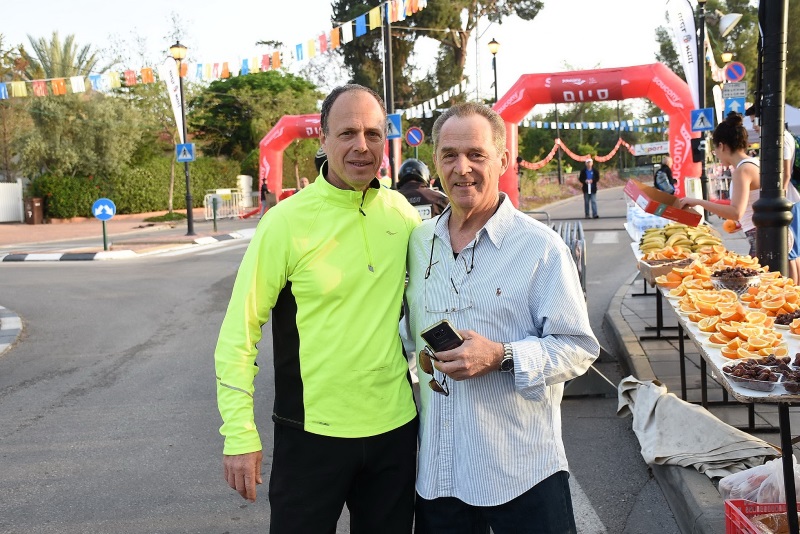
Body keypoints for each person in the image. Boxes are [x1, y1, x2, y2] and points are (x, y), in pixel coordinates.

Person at [214, 84, 421, 532]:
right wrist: (239, 432)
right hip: (310, 435)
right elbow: (239, 331)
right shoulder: (285, 222)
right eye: (347, 133)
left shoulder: (402, 214)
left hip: (394, 432)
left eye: (373, 133)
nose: (361, 146)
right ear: (323, 139)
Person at [402, 102, 600, 533]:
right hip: (441, 473)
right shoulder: (419, 244)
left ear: (503, 159)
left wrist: (501, 355)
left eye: (476, 154)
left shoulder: (541, 248)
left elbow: (578, 347)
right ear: (435, 161)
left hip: (522, 471)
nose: (462, 168)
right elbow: (409, 331)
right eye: (450, 155)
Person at [676, 112, 765, 257]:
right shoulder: (753, 163)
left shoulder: (742, 171)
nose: (716, 154)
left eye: (715, 150)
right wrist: (743, 222)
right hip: (763, 233)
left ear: (722, 146)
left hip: (761, 238)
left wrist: (698, 202)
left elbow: (735, 212)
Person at [746, 105, 800, 282]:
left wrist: (778, 201)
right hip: (790, 200)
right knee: (793, 251)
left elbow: (786, 173)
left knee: (788, 252)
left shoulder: (780, 138)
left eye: (754, 121)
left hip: (788, 201)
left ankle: (792, 289)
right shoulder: (784, 136)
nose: (754, 126)